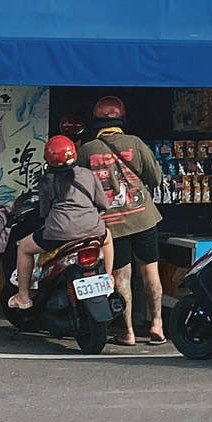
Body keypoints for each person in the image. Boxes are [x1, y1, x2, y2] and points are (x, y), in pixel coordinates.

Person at [78, 96, 165, 346]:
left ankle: (128, 331)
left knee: (121, 276)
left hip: (112, 224)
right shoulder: (135, 143)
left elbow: (81, 186)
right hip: (144, 218)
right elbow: (156, 178)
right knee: (151, 271)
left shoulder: (87, 150)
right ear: (122, 120)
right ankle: (157, 324)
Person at [8, 135, 114, 311]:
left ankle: (23, 296)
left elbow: (44, 213)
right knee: (108, 237)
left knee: (24, 248)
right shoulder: (88, 174)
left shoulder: (47, 181)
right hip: (93, 231)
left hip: (58, 234)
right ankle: (108, 277)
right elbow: (103, 204)